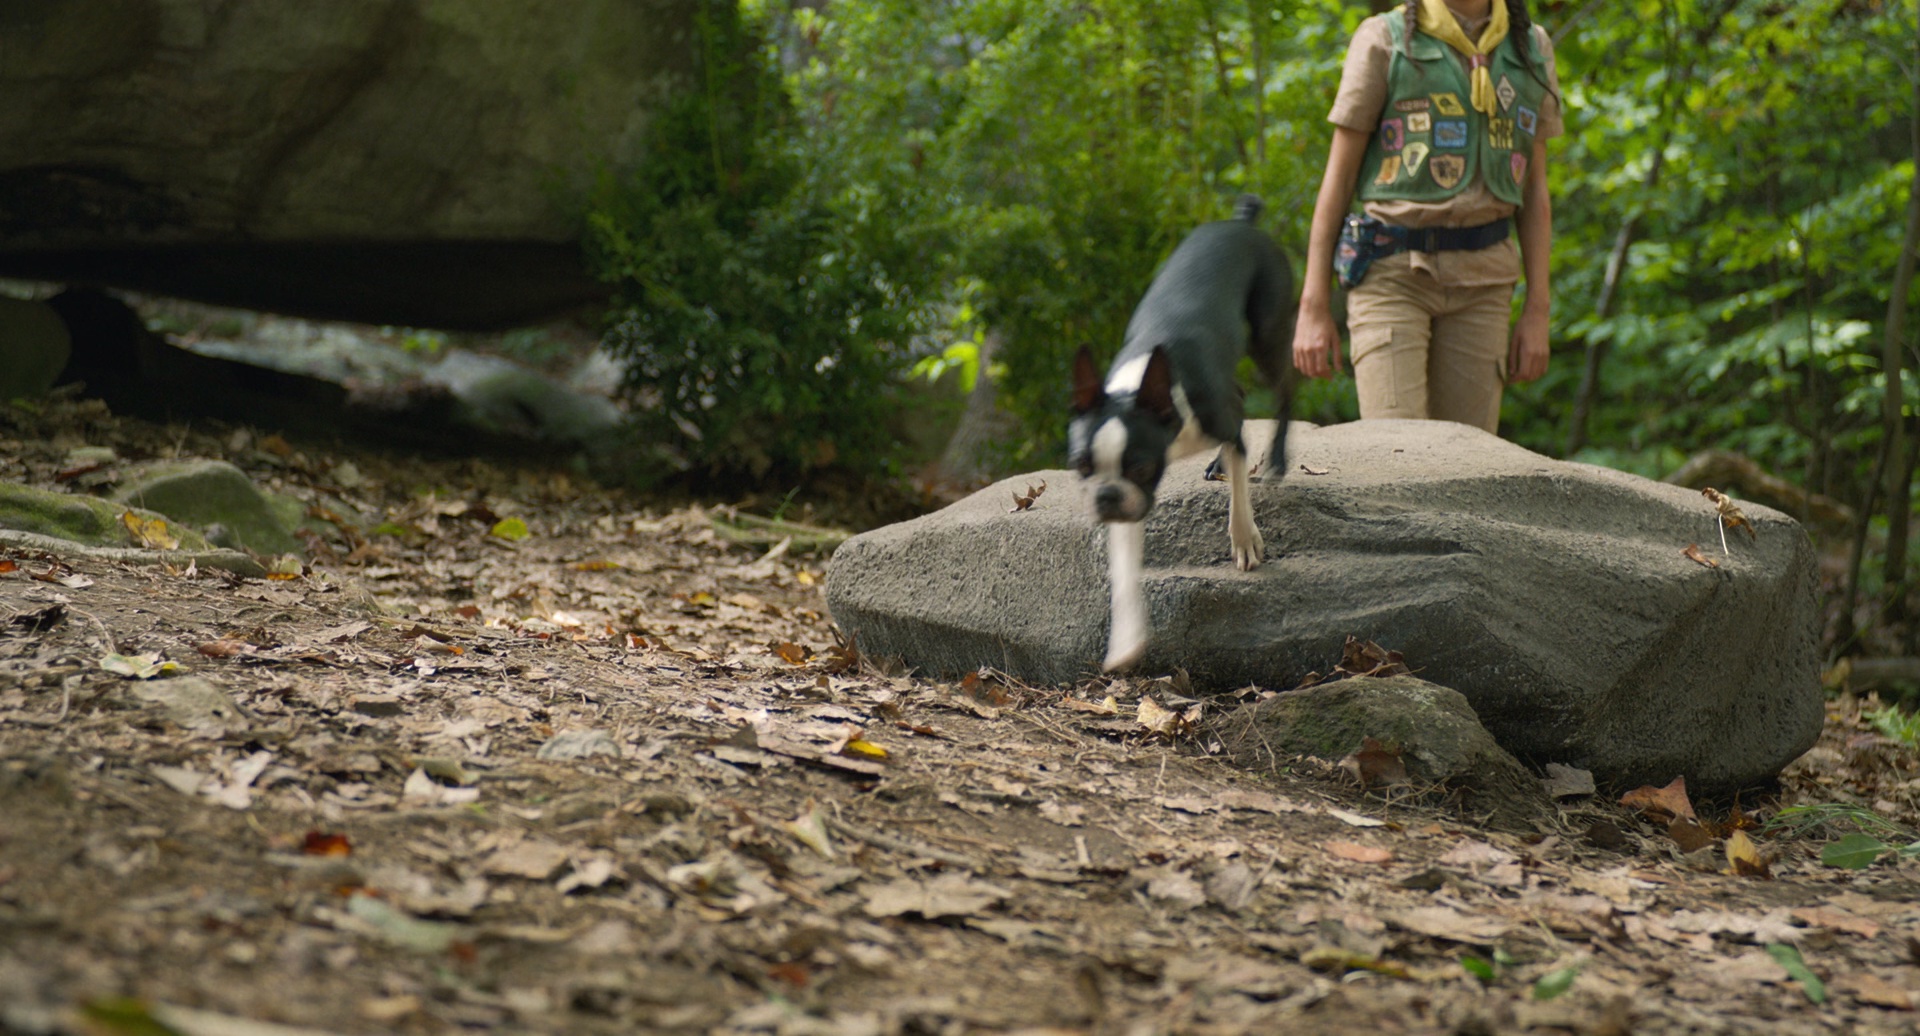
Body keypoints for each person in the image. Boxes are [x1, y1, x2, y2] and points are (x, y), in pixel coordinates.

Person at [1292, 0, 1563, 434]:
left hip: (1484, 280)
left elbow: (1534, 190)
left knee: (1468, 468)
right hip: (1393, 272)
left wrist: (1537, 309)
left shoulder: (1530, 46)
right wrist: (1313, 305)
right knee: (1397, 457)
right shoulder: (1386, 38)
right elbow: (1338, 181)